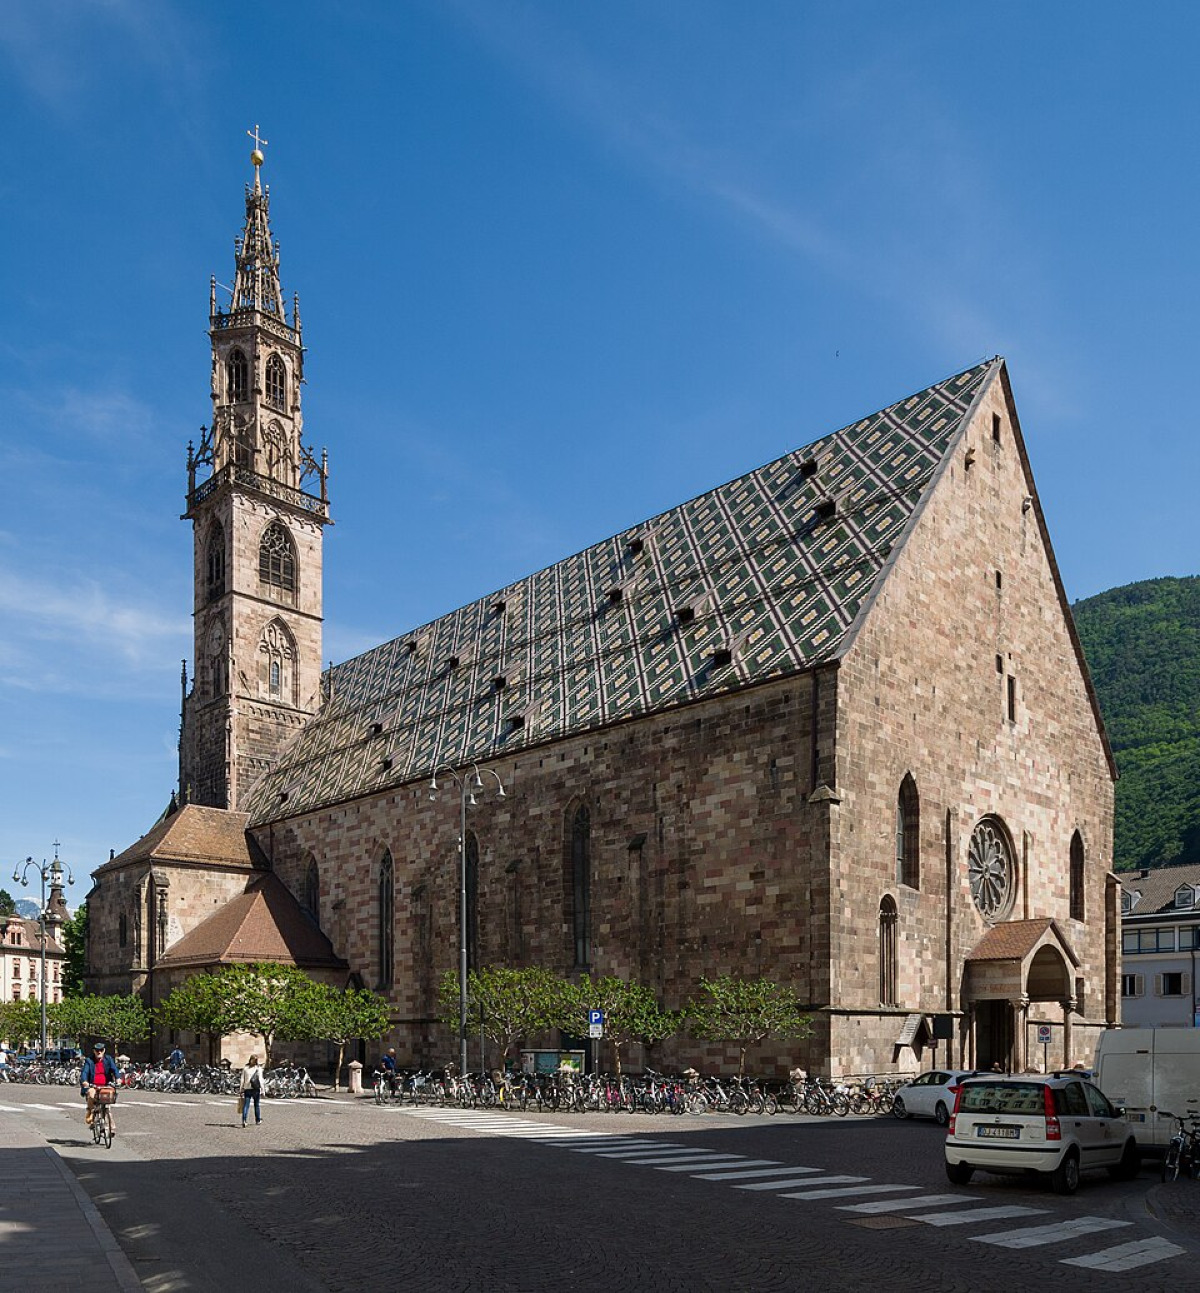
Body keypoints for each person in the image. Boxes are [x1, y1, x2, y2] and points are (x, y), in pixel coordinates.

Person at [81, 1041, 119, 1133]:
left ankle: (111, 1127)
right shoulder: (89, 1061)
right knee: (91, 1094)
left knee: (107, 1107)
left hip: (106, 1085)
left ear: (104, 1050)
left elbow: (115, 1070)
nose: (99, 1052)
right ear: (94, 1051)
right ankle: (90, 1111)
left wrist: (118, 1079)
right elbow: (84, 1073)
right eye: (97, 1050)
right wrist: (85, 1082)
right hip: (93, 1086)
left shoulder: (108, 1059)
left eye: (101, 1050)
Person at [240, 1055, 263, 1127]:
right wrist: (263, 1089)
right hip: (256, 1089)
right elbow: (261, 1080)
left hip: (247, 1088)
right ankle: (258, 1120)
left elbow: (242, 1080)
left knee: (246, 1105)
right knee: (256, 1105)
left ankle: (244, 1120)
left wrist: (241, 1089)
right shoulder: (258, 1068)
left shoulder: (245, 1068)